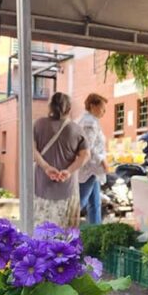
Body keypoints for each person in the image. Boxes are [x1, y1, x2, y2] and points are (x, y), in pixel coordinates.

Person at [33, 92, 88, 228]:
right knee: (66, 234)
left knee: (42, 233)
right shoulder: (76, 129)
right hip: (67, 188)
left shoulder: (38, 125)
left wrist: (46, 167)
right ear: (69, 109)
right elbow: (85, 155)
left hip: (41, 187)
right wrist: (68, 171)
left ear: (50, 107)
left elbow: (31, 150)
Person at [77, 92, 109, 224]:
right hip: (90, 168)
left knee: (95, 204)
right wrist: (103, 161)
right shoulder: (89, 123)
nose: (104, 112)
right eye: (102, 108)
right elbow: (88, 147)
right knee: (81, 202)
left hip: (92, 169)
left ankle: (95, 231)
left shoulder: (88, 120)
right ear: (92, 106)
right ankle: (62, 229)